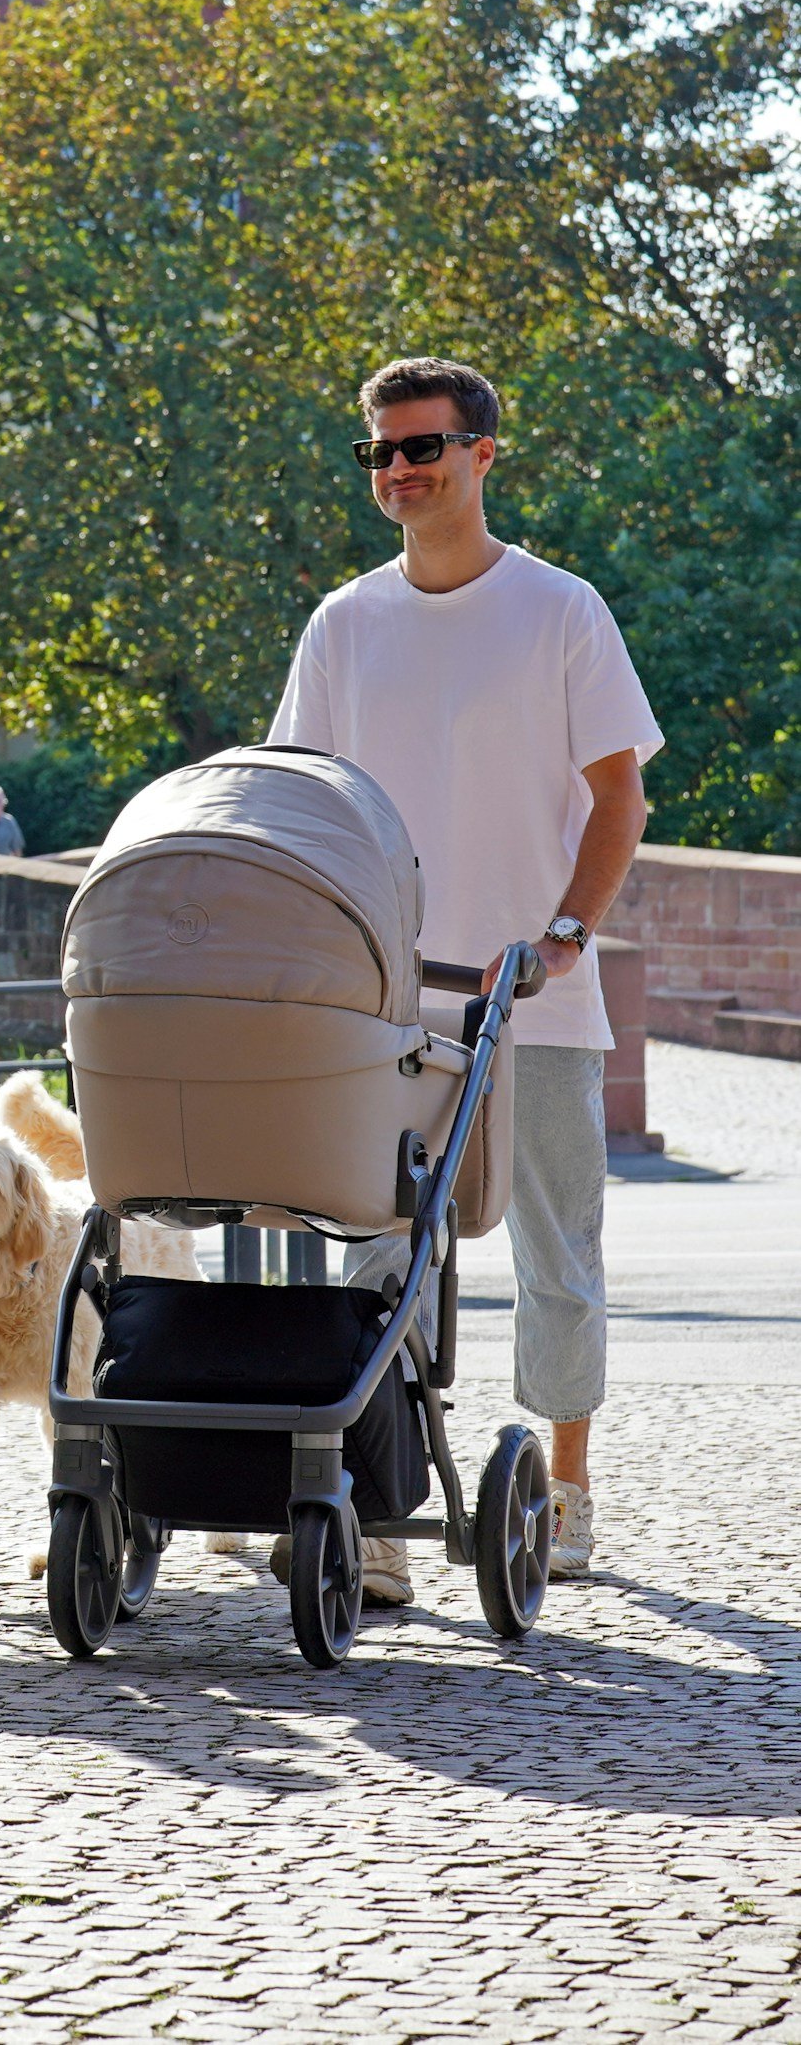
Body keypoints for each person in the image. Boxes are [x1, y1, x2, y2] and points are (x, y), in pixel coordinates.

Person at [270, 356, 660, 1599]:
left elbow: (617, 795)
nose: (396, 470)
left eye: (420, 447)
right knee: (377, 1253)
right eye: (376, 452)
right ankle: (372, 1508)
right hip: (385, 1004)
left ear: (483, 454)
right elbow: (299, 800)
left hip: (532, 995)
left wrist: (561, 933)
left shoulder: (559, 610)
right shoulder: (343, 623)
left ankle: (566, 1483)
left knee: (556, 1251)